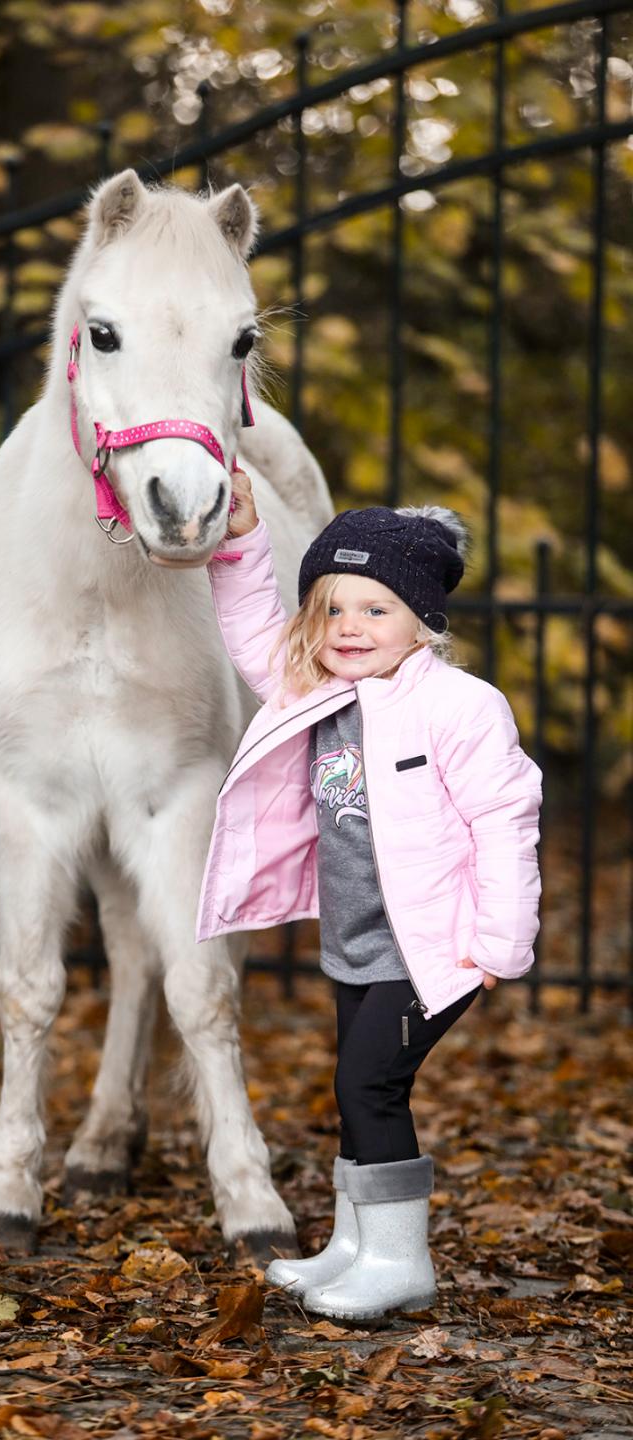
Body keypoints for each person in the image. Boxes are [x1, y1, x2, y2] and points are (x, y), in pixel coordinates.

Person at [195, 470, 542, 1321]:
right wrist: (239, 541)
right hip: (358, 943)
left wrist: (500, 944)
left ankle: (399, 1262)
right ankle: (354, 1247)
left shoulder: (461, 707)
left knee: (369, 1088)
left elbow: (507, 820)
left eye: (376, 610)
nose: (350, 628)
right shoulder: (320, 690)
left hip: (432, 950)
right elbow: (249, 637)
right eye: (332, 609)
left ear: (422, 623)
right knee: (353, 1088)